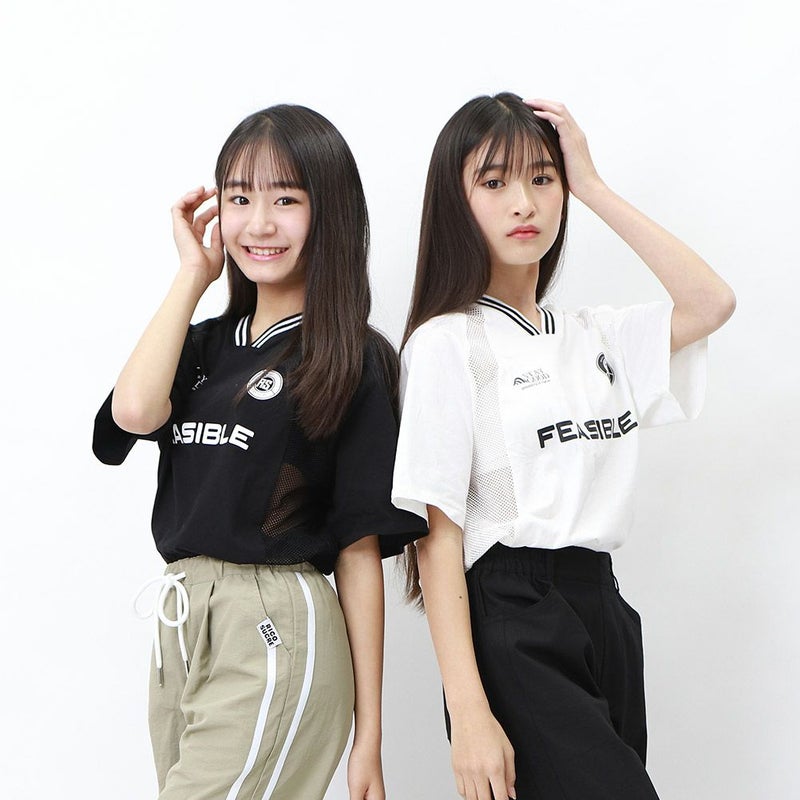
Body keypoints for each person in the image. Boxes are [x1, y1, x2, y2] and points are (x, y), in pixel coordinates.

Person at [391, 93, 735, 800]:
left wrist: (594, 186)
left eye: (542, 179)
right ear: (456, 200)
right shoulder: (448, 342)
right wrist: (469, 711)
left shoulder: (594, 335)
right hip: (513, 611)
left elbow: (712, 303)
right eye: (494, 182)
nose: (524, 203)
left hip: (602, 607)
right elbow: (436, 534)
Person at [93, 103, 426, 800]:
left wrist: (369, 734)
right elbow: (133, 415)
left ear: (329, 212)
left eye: (286, 199)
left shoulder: (351, 360)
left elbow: (358, 549)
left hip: (277, 624)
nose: (259, 224)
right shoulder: (203, 346)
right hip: (185, 620)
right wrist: (193, 276)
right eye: (240, 198)